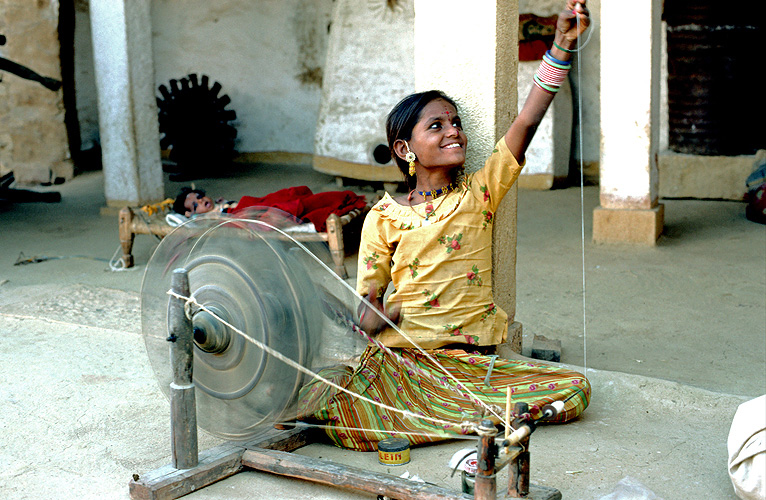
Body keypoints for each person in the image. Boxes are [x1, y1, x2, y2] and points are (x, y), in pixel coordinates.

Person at [298, 0, 591, 452]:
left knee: (575, 387)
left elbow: (527, 120)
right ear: (405, 148)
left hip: (472, 365)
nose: (453, 131)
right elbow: (367, 311)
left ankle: (436, 417)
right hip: (406, 361)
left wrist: (562, 46)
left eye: (455, 123)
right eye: (436, 126)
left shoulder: (480, 191)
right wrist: (376, 317)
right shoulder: (383, 217)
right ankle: (458, 418)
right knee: (343, 396)